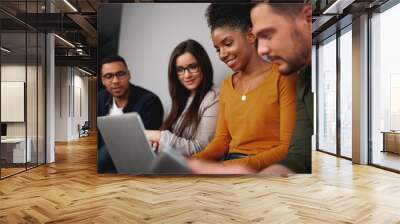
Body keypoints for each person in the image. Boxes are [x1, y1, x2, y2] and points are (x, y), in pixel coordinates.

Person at [188, 2, 313, 174]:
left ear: (250, 36)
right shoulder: (226, 85)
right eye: (218, 49)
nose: (222, 54)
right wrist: (194, 161)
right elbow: (222, 140)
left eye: (228, 43)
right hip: (230, 165)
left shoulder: (284, 76)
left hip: (265, 167)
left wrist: (227, 167)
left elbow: (286, 148)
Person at [144, 39, 219, 156]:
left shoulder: (213, 98)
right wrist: (157, 144)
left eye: (193, 67)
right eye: (180, 70)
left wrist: (160, 136)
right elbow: (170, 145)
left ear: (203, 65)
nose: (187, 75)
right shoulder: (178, 99)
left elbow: (202, 148)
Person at [97, 55, 164, 173]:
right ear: (102, 80)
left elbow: (141, 146)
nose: (115, 81)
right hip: (105, 163)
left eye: (120, 74)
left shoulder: (150, 102)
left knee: (116, 142)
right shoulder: (100, 98)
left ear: (129, 75)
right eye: (109, 76)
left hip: (133, 164)